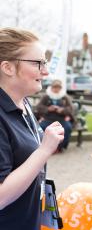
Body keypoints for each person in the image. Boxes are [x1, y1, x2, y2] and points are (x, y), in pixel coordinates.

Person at [0, 27, 64, 230]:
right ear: (8, 68)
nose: (45, 71)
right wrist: (44, 150)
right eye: (38, 63)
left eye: (44, 63)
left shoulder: (24, 103)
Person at [36, 79, 74, 151]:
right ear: (51, 87)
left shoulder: (65, 97)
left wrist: (62, 110)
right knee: (40, 128)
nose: (56, 89)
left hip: (61, 120)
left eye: (58, 87)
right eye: (55, 87)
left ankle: (60, 147)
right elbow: (39, 107)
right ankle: (42, 146)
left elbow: (70, 108)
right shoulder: (46, 97)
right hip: (48, 119)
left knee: (68, 127)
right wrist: (48, 109)